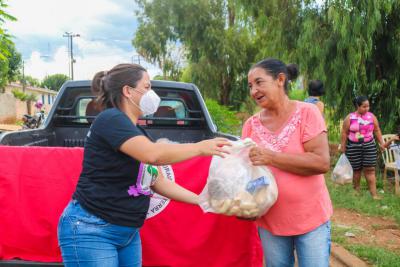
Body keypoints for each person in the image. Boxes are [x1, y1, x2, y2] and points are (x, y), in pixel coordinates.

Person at [57, 63, 231, 267]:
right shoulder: (110, 119)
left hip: (127, 233)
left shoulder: (137, 132)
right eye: (147, 87)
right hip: (92, 229)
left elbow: (157, 180)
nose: (152, 94)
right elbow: (153, 155)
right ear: (128, 91)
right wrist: (200, 148)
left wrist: (202, 200)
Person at [242, 58, 332, 267]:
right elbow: (248, 174)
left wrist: (272, 157)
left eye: (259, 82)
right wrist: (245, 201)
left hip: (311, 220)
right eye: (250, 86)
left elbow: (321, 162)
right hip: (270, 223)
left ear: (280, 79)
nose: (253, 91)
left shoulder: (307, 113)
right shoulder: (250, 126)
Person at [340, 95, 385, 199]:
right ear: (357, 106)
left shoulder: (371, 117)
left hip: (369, 146)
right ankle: (356, 193)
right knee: (356, 170)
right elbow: (344, 132)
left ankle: (374, 194)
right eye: (364, 106)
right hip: (353, 147)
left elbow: (377, 130)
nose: (367, 108)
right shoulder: (350, 117)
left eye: (368, 106)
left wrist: (381, 143)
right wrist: (343, 146)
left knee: (370, 170)